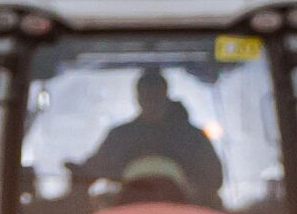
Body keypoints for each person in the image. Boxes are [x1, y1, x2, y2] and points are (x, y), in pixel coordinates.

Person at [70, 68, 224, 202]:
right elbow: (93, 169)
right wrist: (79, 173)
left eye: (155, 95)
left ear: (165, 95)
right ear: (138, 98)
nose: (151, 100)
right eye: (146, 95)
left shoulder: (193, 138)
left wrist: (192, 191)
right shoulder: (120, 136)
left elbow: (215, 178)